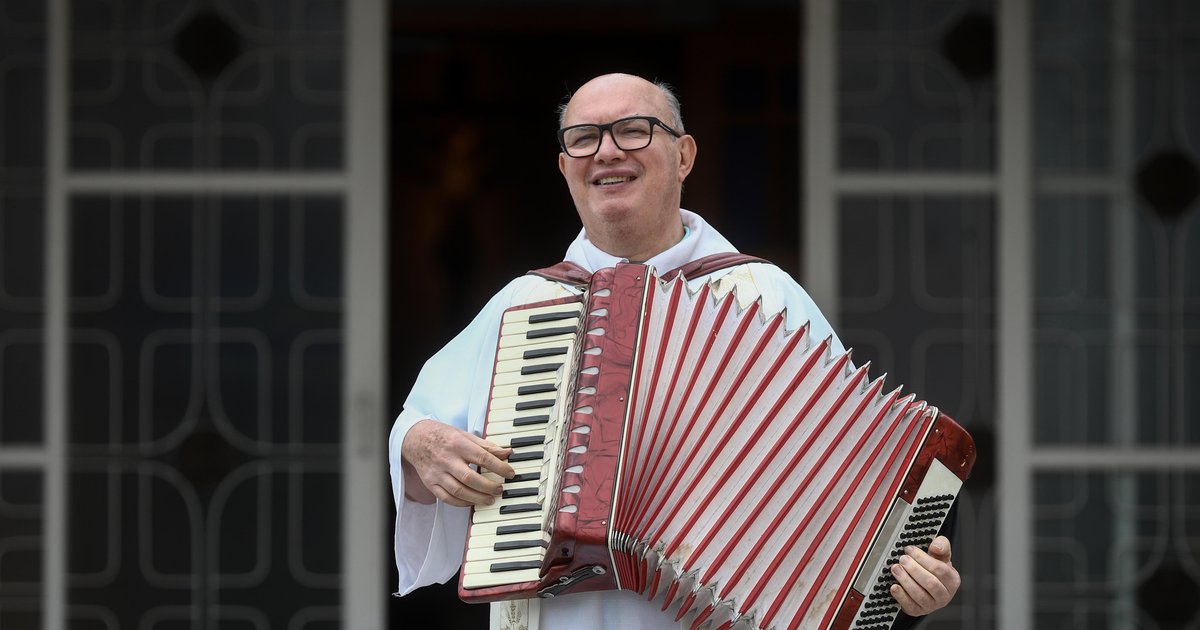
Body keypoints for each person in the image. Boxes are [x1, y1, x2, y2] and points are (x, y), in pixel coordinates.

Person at [390, 72, 961, 629]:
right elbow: (417, 443)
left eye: (633, 130)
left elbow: (858, 478)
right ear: (565, 168)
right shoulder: (528, 304)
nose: (607, 152)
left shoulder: (764, 296)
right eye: (584, 139)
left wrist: (905, 584)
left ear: (684, 156)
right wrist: (420, 447)